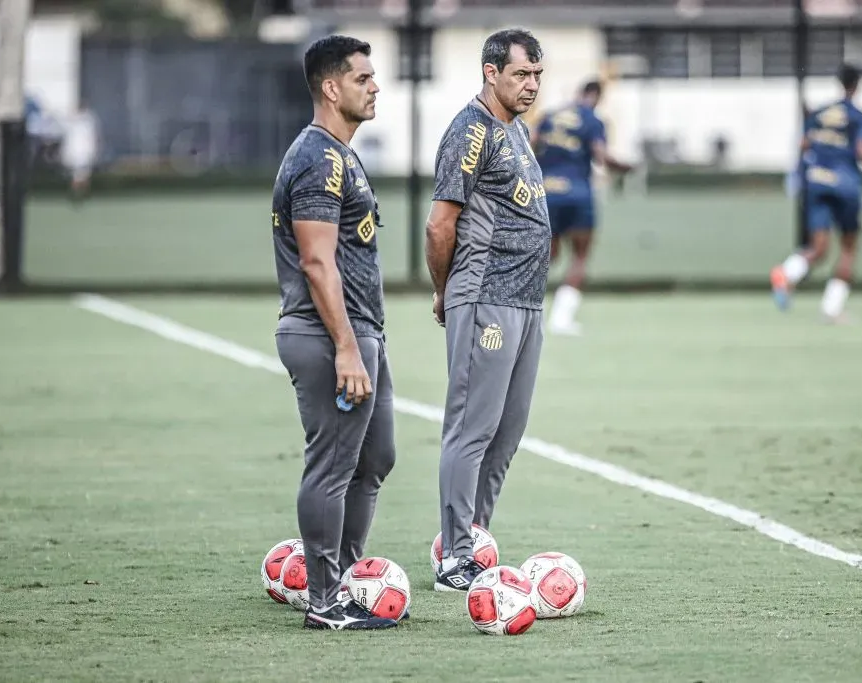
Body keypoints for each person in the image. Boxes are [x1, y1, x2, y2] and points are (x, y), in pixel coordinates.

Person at [271, 34, 398, 630]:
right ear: (330, 87)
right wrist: (347, 348)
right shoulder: (318, 159)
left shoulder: (341, 154)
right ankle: (324, 602)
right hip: (328, 338)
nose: (375, 87)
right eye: (362, 78)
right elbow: (317, 262)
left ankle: (343, 581)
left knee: (375, 459)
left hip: (361, 333)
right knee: (332, 466)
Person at [424, 28, 551, 592]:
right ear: (490, 72)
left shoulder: (516, 128)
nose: (532, 85)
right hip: (486, 297)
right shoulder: (470, 130)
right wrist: (444, 291)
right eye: (521, 74)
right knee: (471, 429)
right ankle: (454, 556)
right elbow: (439, 225)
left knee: (506, 433)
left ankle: (475, 541)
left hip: (526, 300)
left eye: (538, 75)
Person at [771, 63, 862, 323]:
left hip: (816, 183)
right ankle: (832, 308)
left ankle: (786, 273)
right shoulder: (857, 116)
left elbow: (803, 144)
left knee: (819, 248)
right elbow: (861, 151)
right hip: (845, 185)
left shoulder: (819, 112)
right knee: (848, 247)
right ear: (857, 85)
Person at [531, 79, 633, 336]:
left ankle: (530, 314)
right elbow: (602, 156)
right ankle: (561, 320)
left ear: (578, 93)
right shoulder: (593, 120)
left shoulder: (549, 116)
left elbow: (529, 146)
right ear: (597, 97)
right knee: (579, 256)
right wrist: (626, 167)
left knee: (545, 256)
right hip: (577, 194)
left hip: (545, 193)